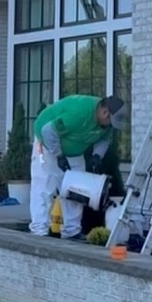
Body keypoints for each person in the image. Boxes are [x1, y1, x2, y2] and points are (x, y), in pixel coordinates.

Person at [29, 95, 126, 240]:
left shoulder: (105, 124)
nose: (110, 126)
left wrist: (97, 156)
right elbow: (48, 131)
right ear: (105, 112)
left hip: (74, 150)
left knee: (76, 189)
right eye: (110, 122)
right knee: (44, 185)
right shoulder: (79, 113)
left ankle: (72, 231)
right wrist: (59, 156)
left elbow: (104, 140)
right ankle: (39, 230)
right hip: (47, 144)